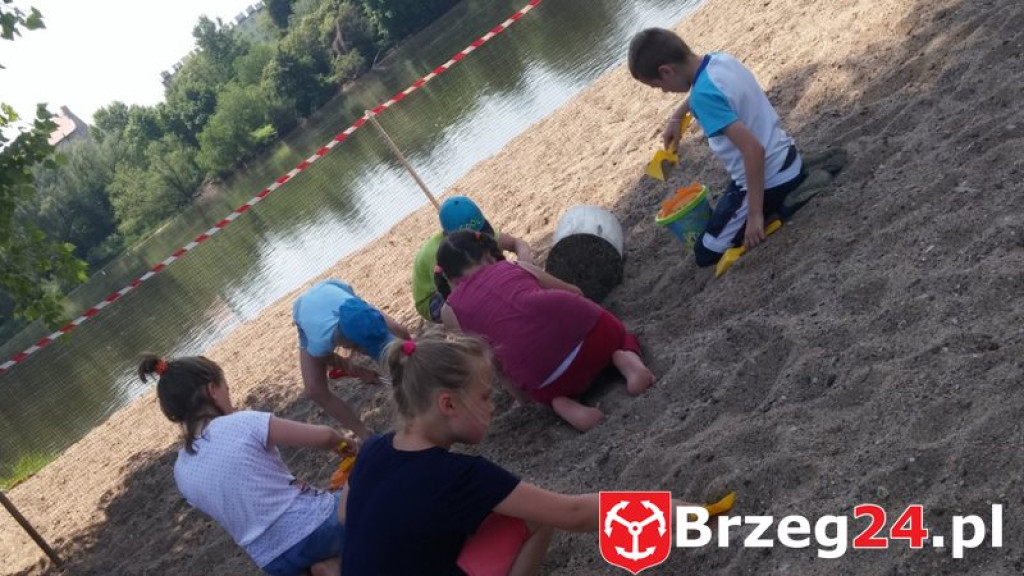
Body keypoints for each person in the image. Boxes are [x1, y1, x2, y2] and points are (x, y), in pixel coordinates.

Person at [342, 329, 612, 576]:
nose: (491, 407)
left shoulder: (371, 449)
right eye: (484, 397)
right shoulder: (459, 476)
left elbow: (344, 514)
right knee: (535, 516)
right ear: (448, 404)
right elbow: (574, 513)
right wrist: (638, 504)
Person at [629, 28, 833, 267]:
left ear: (666, 71)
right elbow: (702, 91)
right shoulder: (719, 60)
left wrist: (755, 215)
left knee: (705, 252)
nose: (664, 91)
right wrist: (677, 115)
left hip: (768, 179)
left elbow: (753, 150)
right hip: (786, 156)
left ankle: (785, 204)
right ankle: (795, 177)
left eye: (658, 86)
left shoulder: (702, 98)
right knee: (724, 216)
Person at [140, 354, 355, 576]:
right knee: (362, 481)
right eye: (227, 390)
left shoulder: (181, 471)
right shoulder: (240, 423)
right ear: (213, 391)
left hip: (272, 559)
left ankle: (330, 567)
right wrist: (346, 445)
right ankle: (335, 562)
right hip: (315, 526)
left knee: (312, 553)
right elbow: (325, 437)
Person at [436, 231, 653, 431]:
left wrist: (525, 399)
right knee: (618, 336)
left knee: (549, 393)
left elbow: (494, 363)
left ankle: (563, 404)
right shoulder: (515, 266)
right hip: (596, 339)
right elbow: (576, 292)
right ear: (487, 255)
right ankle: (624, 358)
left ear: (450, 279)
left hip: (549, 379)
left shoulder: (450, 311)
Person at [293, 279, 411, 439]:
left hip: (338, 293)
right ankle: (364, 434)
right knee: (314, 390)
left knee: (397, 335)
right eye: (362, 349)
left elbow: (399, 332)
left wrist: (413, 353)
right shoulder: (321, 341)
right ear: (348, 345)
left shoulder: (357, 306)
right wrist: (361, 372)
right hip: (306, 313)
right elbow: (327, 358)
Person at [412, 195, 533, 322]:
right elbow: (451, 291)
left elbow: (517, 243)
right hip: (433, 297)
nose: (481, 235)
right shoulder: (439, 254)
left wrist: (525, 264)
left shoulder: (476, 233)